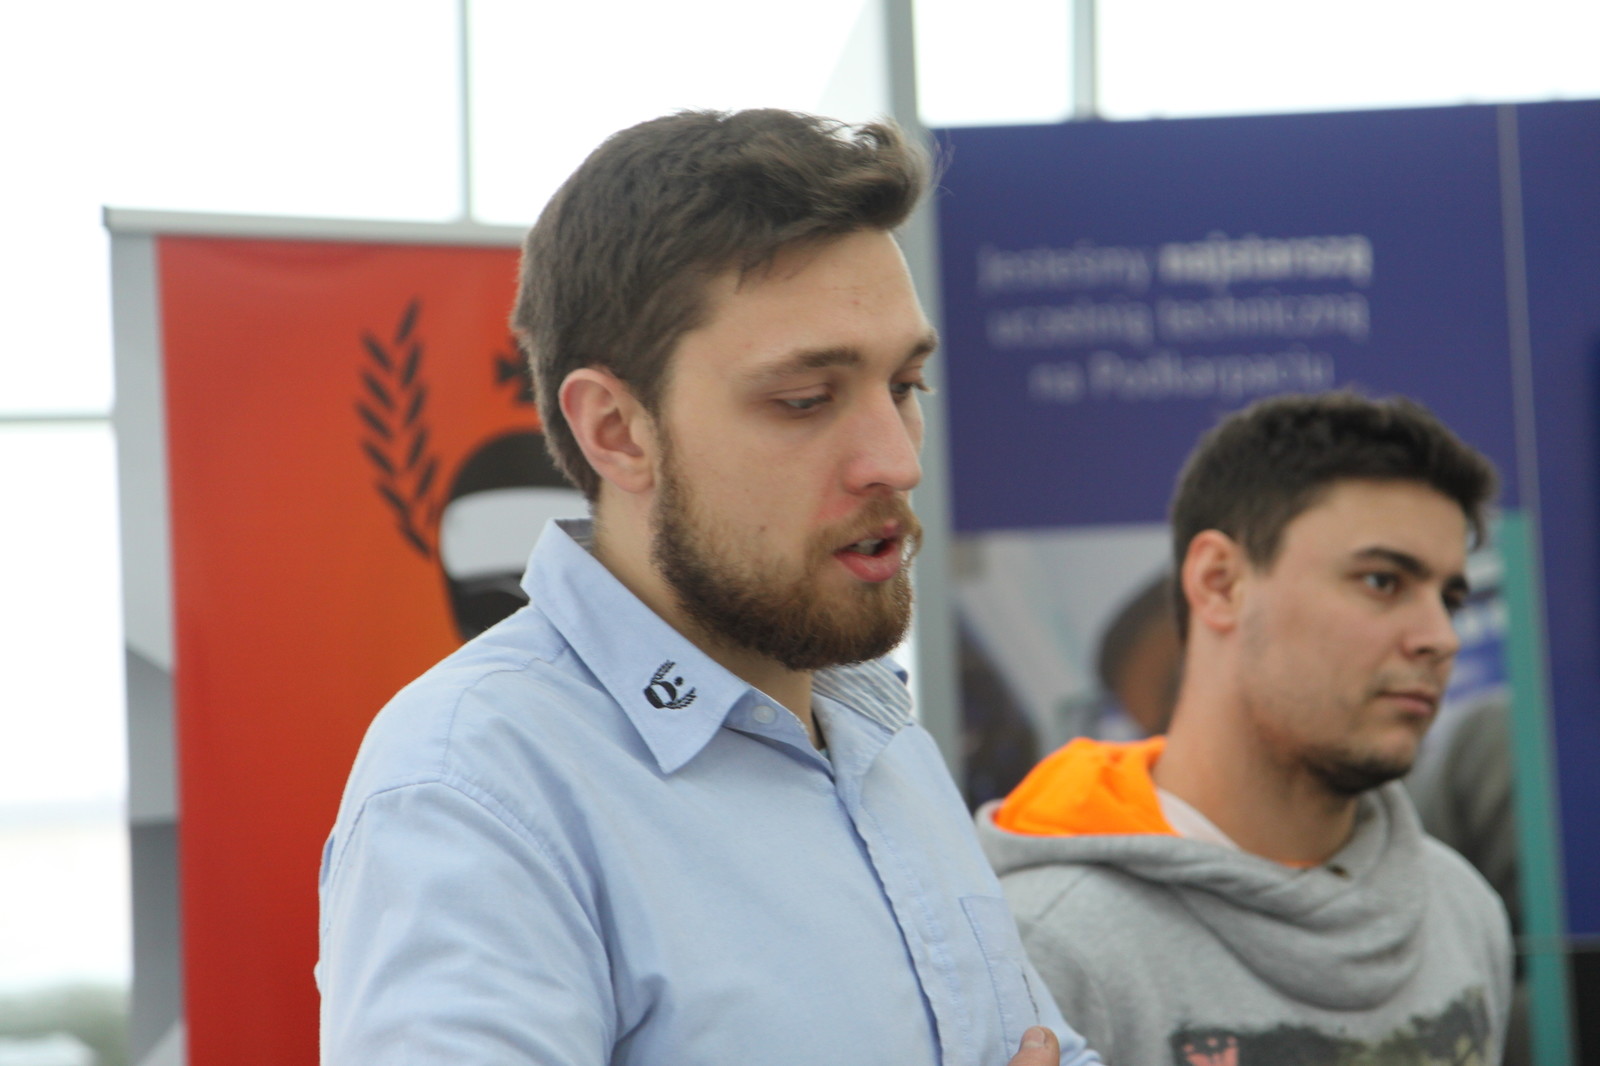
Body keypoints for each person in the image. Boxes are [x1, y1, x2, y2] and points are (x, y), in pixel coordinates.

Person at [318, 108, 1099, 1066]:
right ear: (616, 431)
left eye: (904, 386)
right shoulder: (476, 785)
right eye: (805, 400)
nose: (896, 461)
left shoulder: (878, 733)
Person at [977, 391, 1514, 1065]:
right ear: (1220, 582)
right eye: (1383, 581)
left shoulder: (1459, 907)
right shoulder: (1048, 948)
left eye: (1450, 598)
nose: (1440, 637)